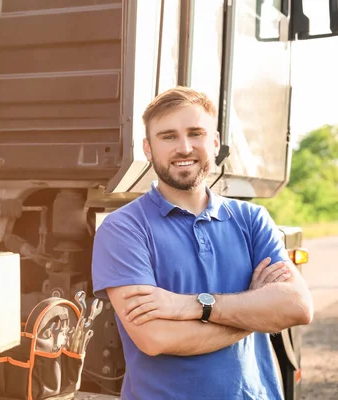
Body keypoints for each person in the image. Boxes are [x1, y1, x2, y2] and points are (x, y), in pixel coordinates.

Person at [91, 86, 313, 399]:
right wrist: (255, 309)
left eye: (196, 133)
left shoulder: (252, 219)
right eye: (168, 136)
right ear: (148, 148)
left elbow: (298, 307)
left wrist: (191, 305)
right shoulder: (124, 229)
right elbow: (155, 337)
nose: (184, 148)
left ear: (215, 142)